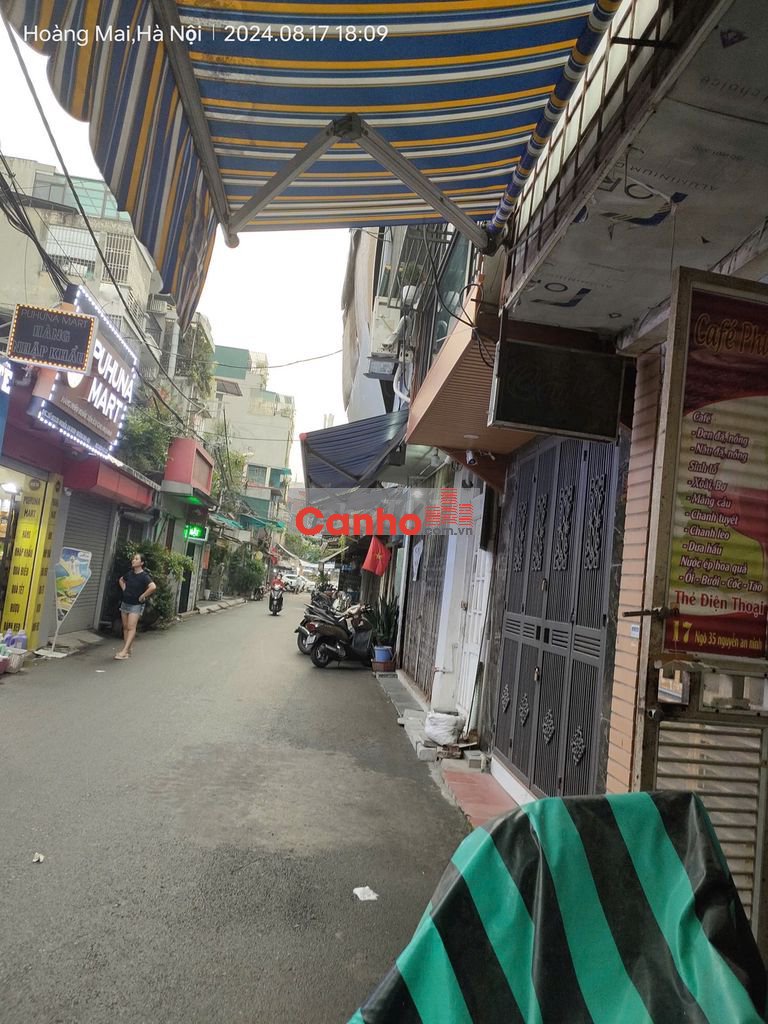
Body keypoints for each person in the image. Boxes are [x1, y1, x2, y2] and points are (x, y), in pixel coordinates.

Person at [115, 553, 156, 660]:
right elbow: (121, 580)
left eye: (136, 559)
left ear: (141, 563)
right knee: (125, 627)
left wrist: (143, 595)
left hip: (136, 605)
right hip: (125, 603)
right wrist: (124, 589)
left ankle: (124, 651)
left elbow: (152, 587)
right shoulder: (130, 573)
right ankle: (127, 650)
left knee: (131, 627)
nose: (133, 560)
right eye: (133, 558)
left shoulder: (144, 576)